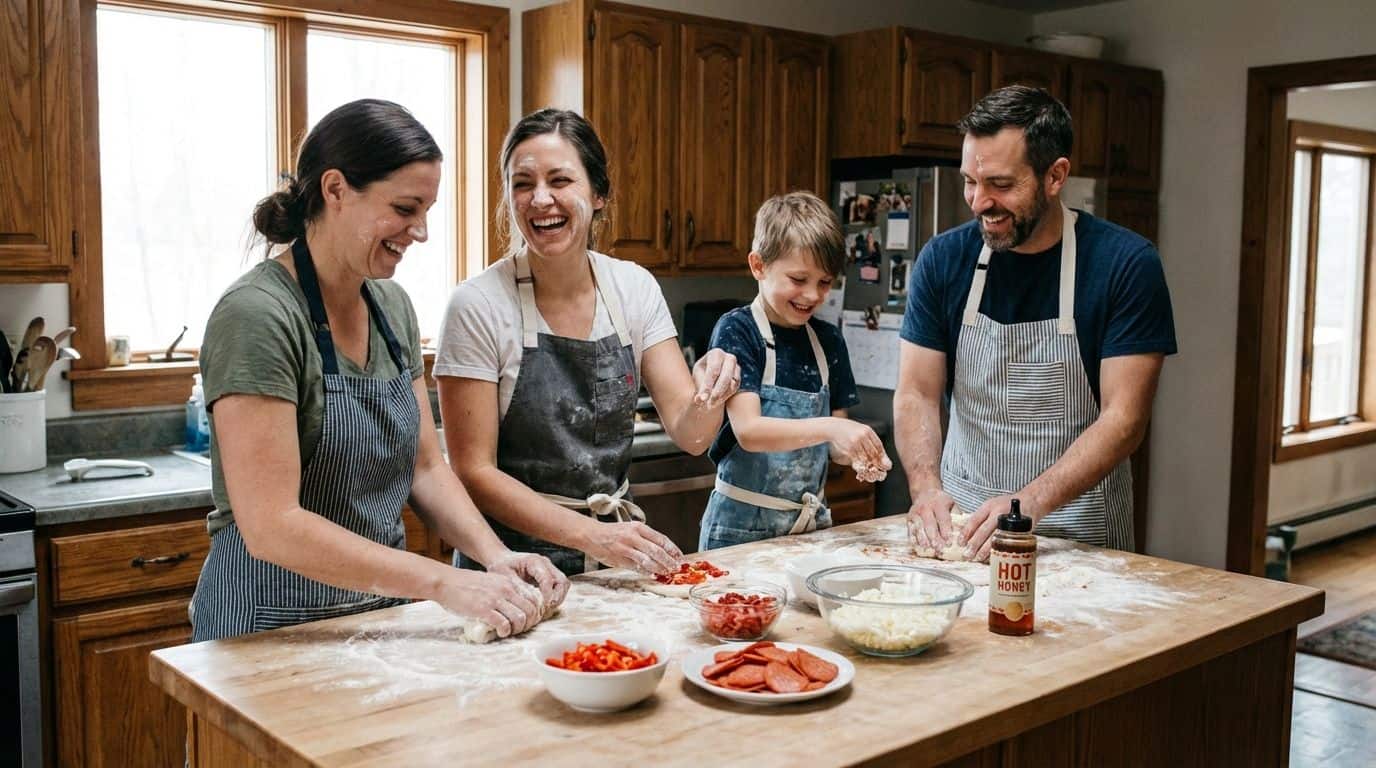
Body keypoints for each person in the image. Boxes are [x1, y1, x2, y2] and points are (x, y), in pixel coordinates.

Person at [191, 99, 567, 643]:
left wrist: (496, 557)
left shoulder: (392, 308)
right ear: (336, 190)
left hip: (376, 619)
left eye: (426, 211)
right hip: (267, 626)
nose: (420, 232)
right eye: (405, 208)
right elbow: (272, 524)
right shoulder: (257, 315)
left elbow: (426, 469)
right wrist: (441, 582)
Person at [434, 109, 740, 578]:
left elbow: (694, 436)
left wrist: (711, 391)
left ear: (598, 194)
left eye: (560, 180)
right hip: (509, 570)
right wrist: (592, 535)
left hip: (611, 566)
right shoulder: (478, 304)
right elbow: (474, 472)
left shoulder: (633, 289)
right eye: (522, 184)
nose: (540, 200)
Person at [896, 85, 1176, 561]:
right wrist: (925, 489)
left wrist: (1026, 505)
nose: (979, 202)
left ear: (1055, 175)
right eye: (969, 182)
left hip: (1077, 538)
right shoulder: (944, 260)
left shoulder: (1124, 264)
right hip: (963, 535)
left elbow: (1124, 420)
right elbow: (917, 392)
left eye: (1001, 185)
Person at [699, 192, 891, 550]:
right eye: (799, 279)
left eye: (824, 282)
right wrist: (835, 427)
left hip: (810, 530)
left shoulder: (828, 341)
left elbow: (834, 448)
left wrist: (859, 453)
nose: (813, 295)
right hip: (739, 533)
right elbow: (750, 431)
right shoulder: (738, 330)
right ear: (758, 266)